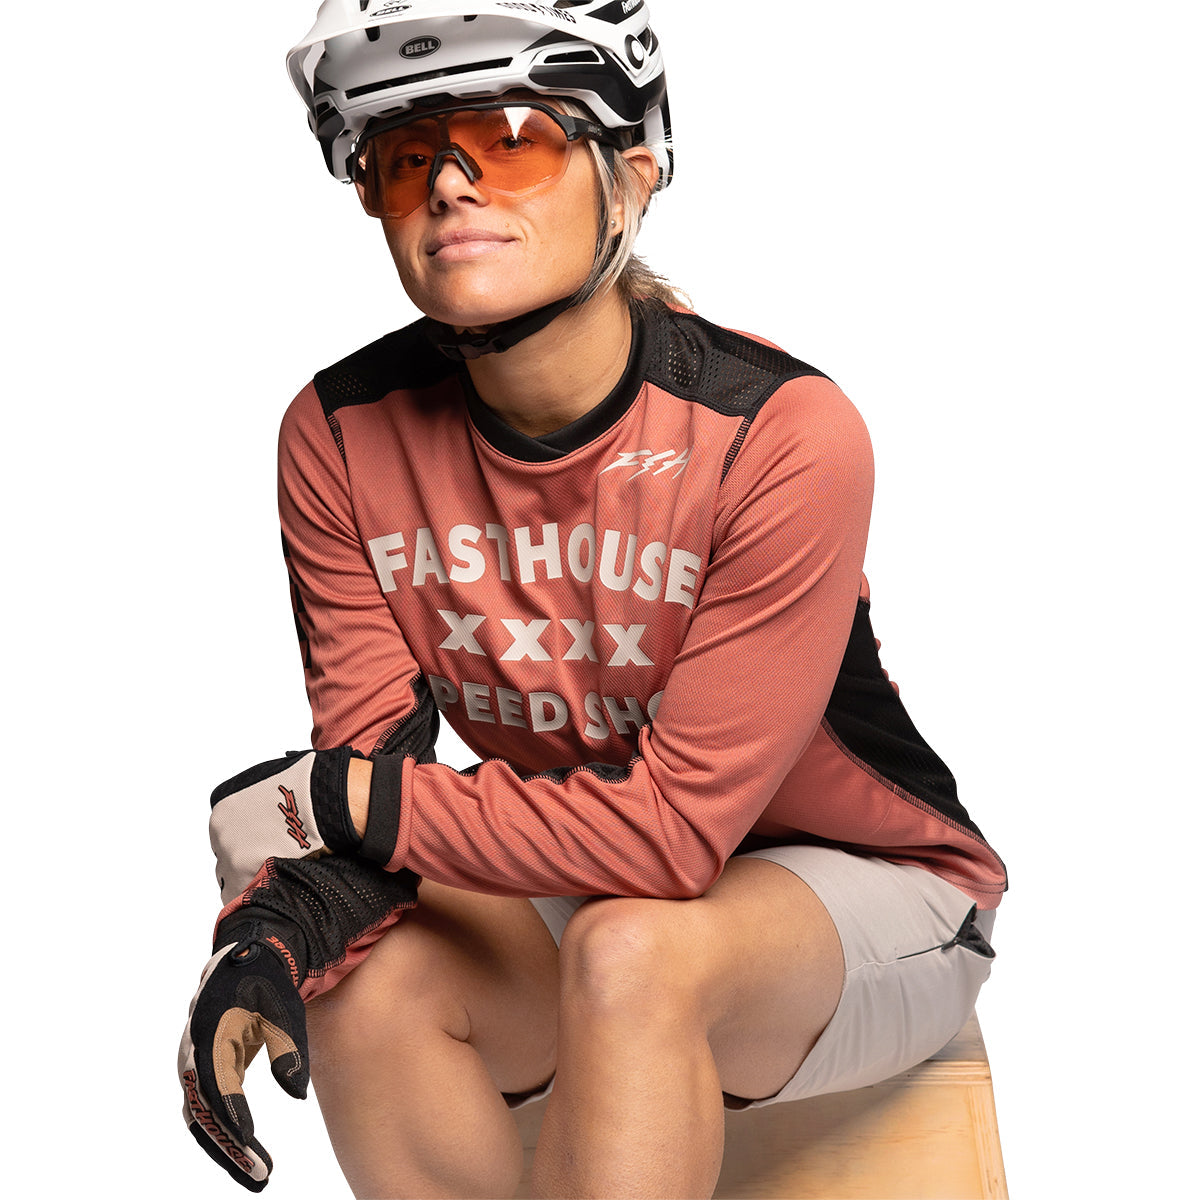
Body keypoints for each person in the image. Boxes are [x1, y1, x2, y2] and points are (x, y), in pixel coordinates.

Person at [178, 2, 1007, 1197]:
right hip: (585, 875)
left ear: (634, 171)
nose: (449, 185)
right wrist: (274, 930)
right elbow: (374, 785)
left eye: (512, 139)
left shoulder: (779, 431)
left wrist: (336, 803)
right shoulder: (339, 434)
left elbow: (668, 836)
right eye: (406, 157)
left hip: (872, 890)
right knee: (367, 982)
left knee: (635, 953)